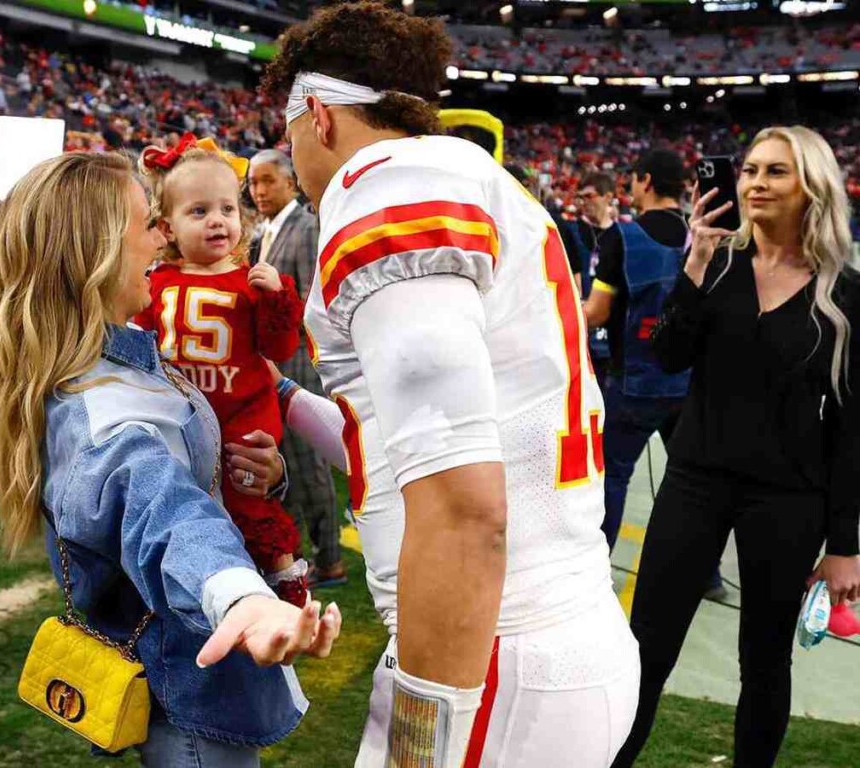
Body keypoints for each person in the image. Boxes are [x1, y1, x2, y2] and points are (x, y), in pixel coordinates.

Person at [263, 4, 639, 766]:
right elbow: (422, 452)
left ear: (318, 114)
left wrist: (419, 739)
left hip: (496, 658)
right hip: (544, 638)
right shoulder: (464, 177)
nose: (289, 149)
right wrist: (281, 400)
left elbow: (467, 512)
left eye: (289, 127)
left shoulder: (388, 190)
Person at [0, 151, 341, 767]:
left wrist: (266, 479)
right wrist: (240, 596)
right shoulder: (104, 407)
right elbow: (164, 513)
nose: (162, 237)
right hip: (190, 691)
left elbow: (192, 477)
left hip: (185, 678)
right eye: (149, 223)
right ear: (97, 252)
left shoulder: (123, 357)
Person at [611, 126, 860, 768]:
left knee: (765, 662)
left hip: (789, 500)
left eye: (775, 172)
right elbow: (667, 355)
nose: (754, 183)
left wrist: (845, 547)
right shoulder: (717, 265)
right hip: (694, 480)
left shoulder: (846, 294)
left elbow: (852, 430)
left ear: (812, 186)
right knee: (647, 650)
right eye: (749, 169)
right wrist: (694, 260)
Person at [133, 135, 309, 606]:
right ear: (166, 227)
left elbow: (280, 346)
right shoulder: (156, 282)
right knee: (181, 504)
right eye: (199, 211)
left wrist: (277, 298)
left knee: (250, 494)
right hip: (181, 415)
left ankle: (282, 575)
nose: (217, 220)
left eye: (228, 209)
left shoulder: (251, 278)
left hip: (244, 410)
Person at [582, 150, 691, 553]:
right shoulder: (704, 236)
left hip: (634, 382)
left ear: (645, 181)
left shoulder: (621, 237)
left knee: (612, 476)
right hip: (688, 384)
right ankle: (707, 573)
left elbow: (596, 313)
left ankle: (597, 562)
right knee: (689, 482)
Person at [248, 148, 347, 589]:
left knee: (309, 464)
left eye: (267, 181)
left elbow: (312, 298)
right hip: (272, 362)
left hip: (299, 362)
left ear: (290, 182)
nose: (259, 190)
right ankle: (300, 553)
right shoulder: (265, 230)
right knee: (284, 463)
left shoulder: (305, 227)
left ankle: (330, 559)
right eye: (253, 183)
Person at [570, 171, 618, 391]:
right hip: (580, 328)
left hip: (610, 332)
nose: (583, 202)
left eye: (590, 196)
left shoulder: (622, 235)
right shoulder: (571, 231)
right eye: (580, 197)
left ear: (608, 197)